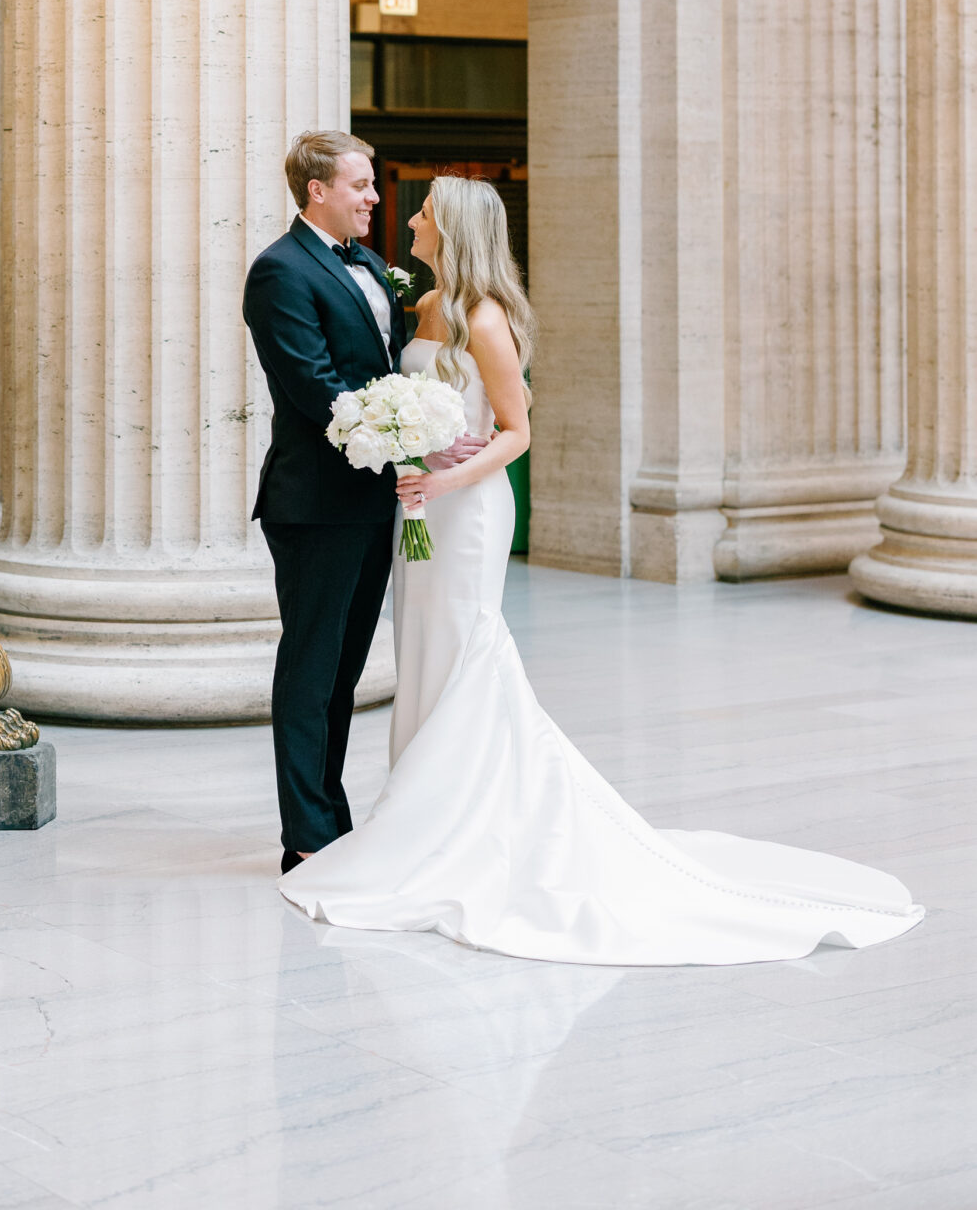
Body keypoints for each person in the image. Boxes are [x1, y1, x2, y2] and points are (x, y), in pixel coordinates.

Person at [280, 175, 924, 964]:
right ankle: (416, 814)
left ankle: (461, 822)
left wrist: (445, 477)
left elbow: (515, 431)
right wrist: (404, 454)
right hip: (419, 508)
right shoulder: (423, 307)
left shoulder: (483, 320)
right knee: (422, 653)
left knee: (462, 648)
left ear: (449, 228)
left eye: (420, 211)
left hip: (467, 509)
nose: (408, 218)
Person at [242, 131, 485, 876]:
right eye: (360, 185)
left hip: (370, 497)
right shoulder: (279, 272)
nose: (375, 199)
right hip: (313, 501)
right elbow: (320, 393)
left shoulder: (372, 267)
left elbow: (382, 369)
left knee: (344, 671)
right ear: (317, 190)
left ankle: (332, 817)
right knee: (313, 669)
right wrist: (419, 443)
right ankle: (307, 836)